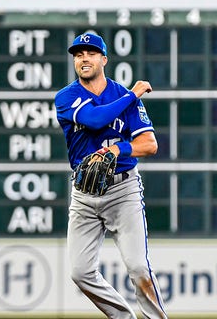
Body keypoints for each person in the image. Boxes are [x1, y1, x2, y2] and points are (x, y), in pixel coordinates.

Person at [54, 33, 168, 319]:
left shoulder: (119, 94)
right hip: (84, 194)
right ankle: (124, 317)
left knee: (139, 268)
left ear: (103, 59)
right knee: (80, 273)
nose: (84, 58)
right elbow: (94, 119)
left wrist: (119, 148)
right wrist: (133, 94)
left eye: (91, 53)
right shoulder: (66, 97)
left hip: (123, 191)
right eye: (78, 54)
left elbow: (150, 145)